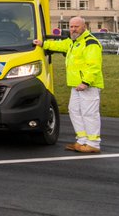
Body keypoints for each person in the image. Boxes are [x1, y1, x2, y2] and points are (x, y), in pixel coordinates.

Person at [35, 16, 104, 153]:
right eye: (71, 26)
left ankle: (93, 143)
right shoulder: (73, 42)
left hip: (88, 86)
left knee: (89, 113)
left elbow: (94, 66)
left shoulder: (90, 43)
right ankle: (82, 141)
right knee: (74, 111)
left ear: (84, 27)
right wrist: (42, 43)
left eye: (76, 26)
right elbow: (59, 45)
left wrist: (85, 82)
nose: (73, 29)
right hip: (76, 85)